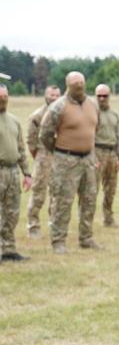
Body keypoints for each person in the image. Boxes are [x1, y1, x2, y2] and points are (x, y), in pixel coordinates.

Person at [39, 72, 101, 253]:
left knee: (89, 199)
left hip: (88, 159)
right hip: (65, 160)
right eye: (75, 84)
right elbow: (45, 134)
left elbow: (95, 128)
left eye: (81, 83)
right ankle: (58, 240)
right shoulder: (58, 107)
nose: (79, 87)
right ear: (67, 85)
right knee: (62, 201)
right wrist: (59, 151)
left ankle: (86, 237)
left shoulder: (92, 104)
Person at [0, 85, 33, 262]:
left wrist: (27, 173)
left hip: (12, 172)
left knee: (11, 213)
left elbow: (20, 148)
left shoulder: (13, 121)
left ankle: (8, 249)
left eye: (5, 96)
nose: (3, 100)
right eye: (0, 97)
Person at [26, 85, 61, 238]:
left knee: (57, 194)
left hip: (60, 158)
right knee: (38, 193)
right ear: (45, 96)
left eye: (57, 95)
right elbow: (31, 142)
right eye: (51, 95)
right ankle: (33, 226)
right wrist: (40, 157)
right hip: (43, 157)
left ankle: (54, 225)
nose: (54, 98)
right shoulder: (37, 116)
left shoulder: (62, 114)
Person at [94, 84, 119, 227]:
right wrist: (92, 157)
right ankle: (87, 219)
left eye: (104, 96)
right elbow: (88, 136)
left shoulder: (114, 115)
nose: (102, 98)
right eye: (99, 96)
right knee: (92, 189)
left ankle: (108, 218)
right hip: (97, 152)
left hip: (112, 153)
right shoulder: (92, 113)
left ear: (109, 96)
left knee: (110, 189)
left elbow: (118, 137)